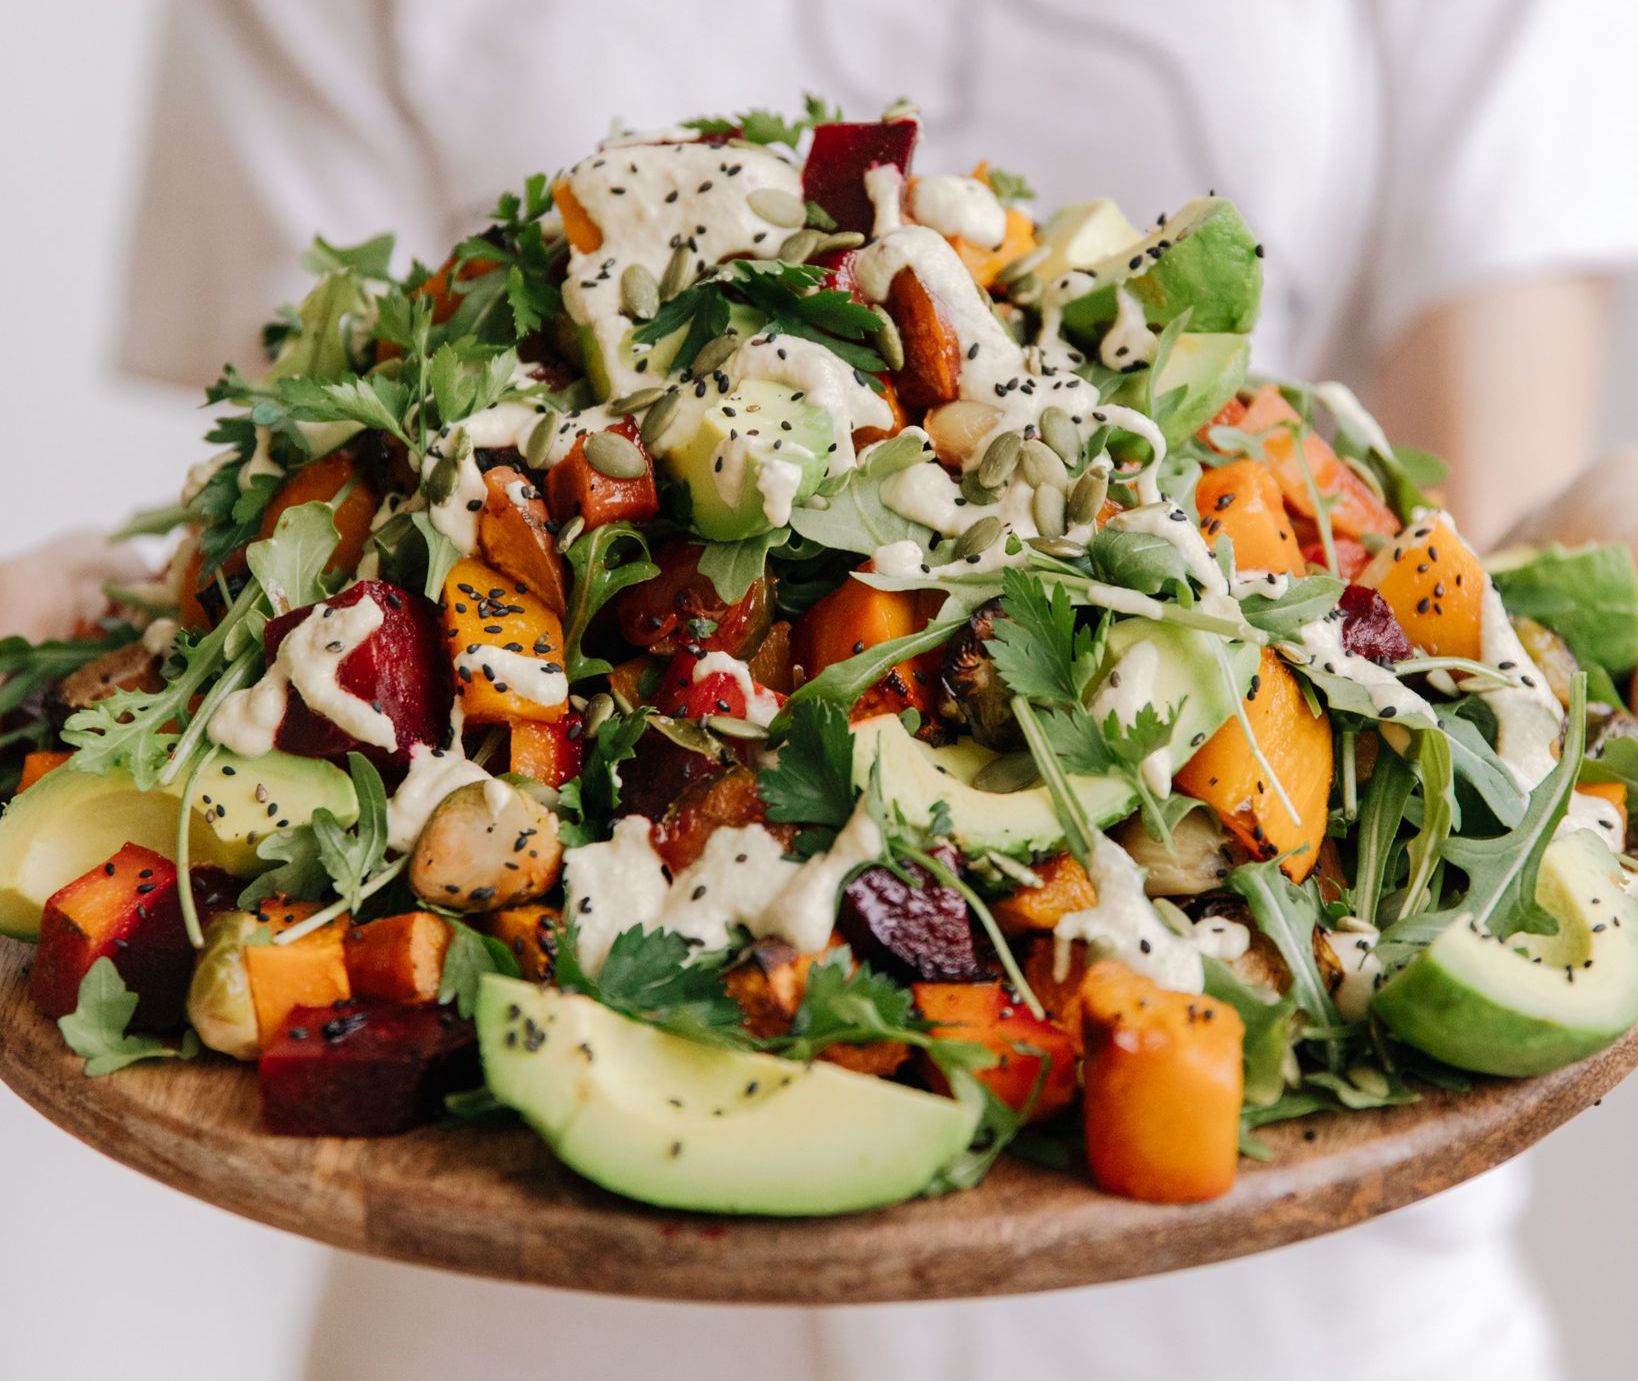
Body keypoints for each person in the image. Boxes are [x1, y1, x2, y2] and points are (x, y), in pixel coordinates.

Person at [8, 2, 1638, 1378]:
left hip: (1283, 1328)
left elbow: (1450, 534)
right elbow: (317, 451)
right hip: (535, 1312)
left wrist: (1565, 597)